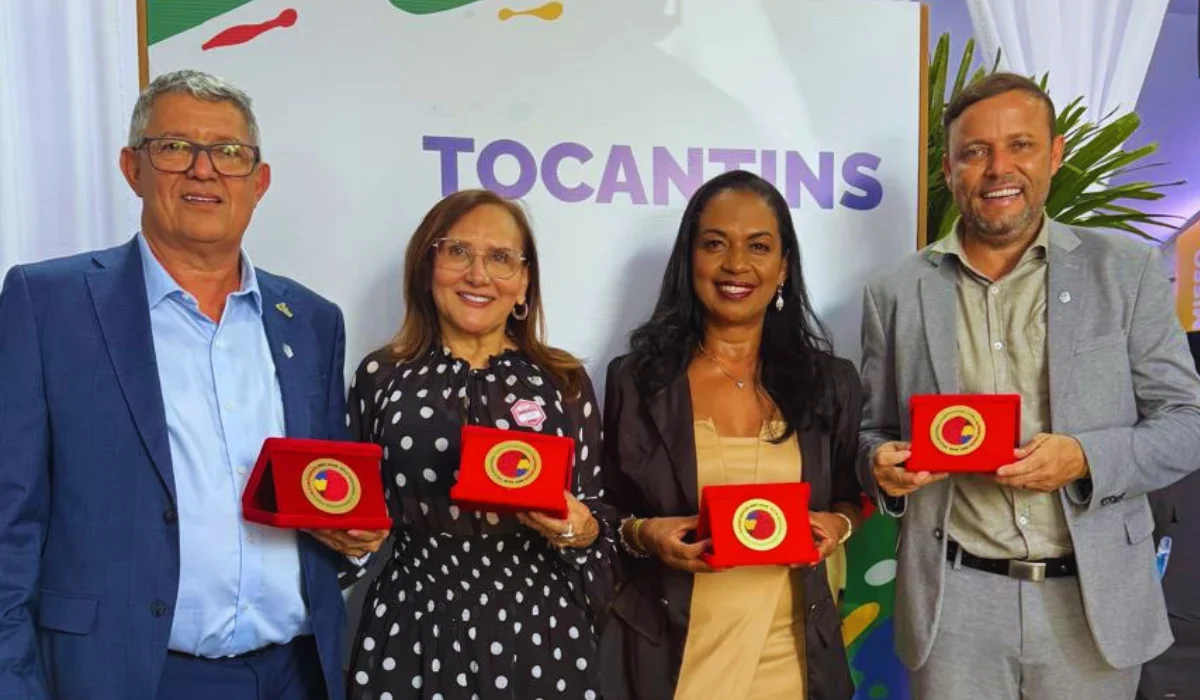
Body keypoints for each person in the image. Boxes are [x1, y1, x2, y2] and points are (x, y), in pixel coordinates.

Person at [0, 70, 385, 700]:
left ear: (258, 183)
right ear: (133, 168)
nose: (204, 171)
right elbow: (8, 523)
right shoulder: (48, 305)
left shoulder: (313, 322)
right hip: (126, 676)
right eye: (176, 147)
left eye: (229, 154)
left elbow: (324, 499)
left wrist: (354, 540)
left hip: (295, 673)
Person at [857, 72, 1200, 700]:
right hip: (953, 602)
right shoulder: (896, 292)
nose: (998, 169)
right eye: (975, 151)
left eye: (1020, 145)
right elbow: (872, 429)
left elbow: (1187, 423)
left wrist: (1085, 458)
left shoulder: (1125, 272)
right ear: (950, 167)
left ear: (1054, 154)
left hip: (1092, 603)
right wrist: (881, 463)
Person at [338, 189, 614, 700]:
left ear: (525, 282)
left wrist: (581, 530)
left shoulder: (563, 381)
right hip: (412, 625)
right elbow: (351, 510)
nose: (478, 275)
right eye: (458, 251)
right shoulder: (382, 376)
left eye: (501, 258)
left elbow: (599, 519)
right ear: (427, 267)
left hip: (541, 628)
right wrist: (350, 541)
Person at [599, 170, 863, 700]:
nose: (736, 264)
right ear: (689, 260)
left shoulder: (830, 382)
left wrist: (838, 524)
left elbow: (848, 496)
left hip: (794, 660)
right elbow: (606, 511)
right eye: (714, 243)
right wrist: (644, 535)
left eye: (758, 246)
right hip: (671, 657)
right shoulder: (636, 379)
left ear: (783, 267)